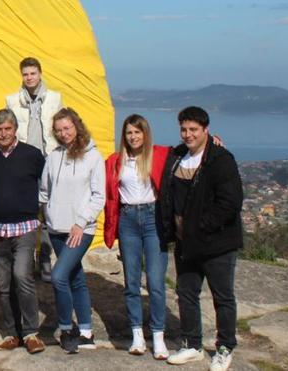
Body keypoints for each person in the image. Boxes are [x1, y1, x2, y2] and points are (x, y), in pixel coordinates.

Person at [159, 106, 243, 371]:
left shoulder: (220, 159)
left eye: (193, 129)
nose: (188, 134)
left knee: (222, 296)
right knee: (186, 293)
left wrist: (202, 226)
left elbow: (230, 202)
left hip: (216, 242)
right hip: (187, 243)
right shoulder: (177, 156)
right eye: (184, 129)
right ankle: (193, 344)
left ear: (206, 130)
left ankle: (225, 346)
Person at [0, 108, 47, 354]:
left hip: (24, 228)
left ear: (15, 129)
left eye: (7, 129)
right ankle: (11, 333)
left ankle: (31, 332)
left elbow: (49, 180)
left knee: (22, 277)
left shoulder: (32, 155)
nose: (3, 133)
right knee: (3, 284)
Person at [104, 114, 171, 359]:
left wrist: (212, 140)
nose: (133, 137)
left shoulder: (159, 155)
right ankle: (137, 335)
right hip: (128, 220)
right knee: (131, 281)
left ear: (145, 134)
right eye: (129, 133)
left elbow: (189, 151)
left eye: (137, 132)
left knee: (155, 281)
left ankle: (158, 335)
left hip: (153, 218)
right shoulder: (115, 161)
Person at [39, 108, 105, 354]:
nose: (63, 133)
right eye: (58, 130)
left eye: (67, 128)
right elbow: (44, 190)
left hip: (80, 229)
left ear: (77, 126)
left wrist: (81, 221)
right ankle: (87, 331)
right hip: (56, 227)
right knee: (75, 278)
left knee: (58, 276)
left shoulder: (93, 156)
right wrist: (45, 214)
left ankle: (67, 328)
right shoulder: (54, 156)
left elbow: (99, 196)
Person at [4, 57, 63, 282]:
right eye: (26, 74)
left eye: (33, 73)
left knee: (48, 213)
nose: (29, 78)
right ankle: (25, 263)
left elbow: (61, 130)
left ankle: (46, 261)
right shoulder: (12, 100)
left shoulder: (55, 98)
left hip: (49, 161)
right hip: (24, 162)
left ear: (40, 74)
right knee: (26, 212)